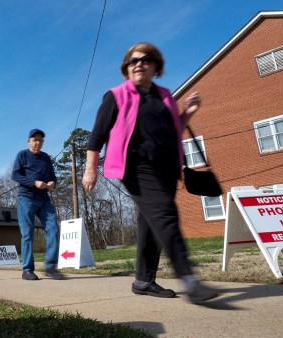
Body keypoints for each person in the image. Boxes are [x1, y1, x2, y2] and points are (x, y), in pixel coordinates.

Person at [81, 42, 218, 303]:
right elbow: (97, 135)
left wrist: (187, 114)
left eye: (145, 59)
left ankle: (143, 280)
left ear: (156, 66)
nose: (139, 64)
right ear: (126, 68)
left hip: (166, 168)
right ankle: (190, 279)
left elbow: (172, 130)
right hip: (135, 166)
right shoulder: (117, 95)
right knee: (165, 214)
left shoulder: (164, 95)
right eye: (133, 61)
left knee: (151, 223)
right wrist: (90, 170)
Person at [11, 129, 66, 280]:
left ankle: (50, 267)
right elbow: (15, 175)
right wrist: (34, 183)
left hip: (44, 199)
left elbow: (53, 177)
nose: (38, 143)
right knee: (27, 234)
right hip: (26, 198)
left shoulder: (45, 158)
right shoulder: (22, 155)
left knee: (53, 229)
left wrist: (52, 183)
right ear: (29, 141)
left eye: (40, 140)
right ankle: (27, 270)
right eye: (35, 139)